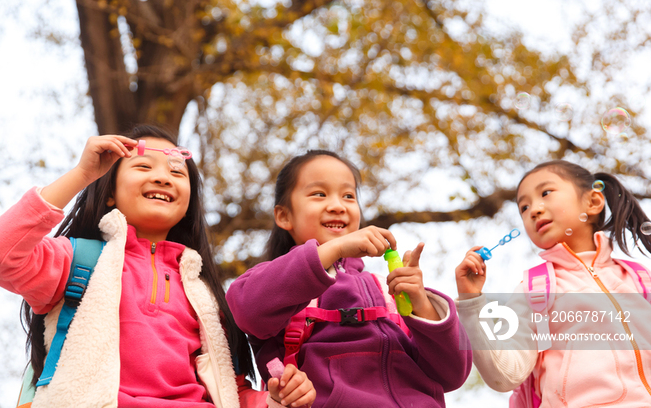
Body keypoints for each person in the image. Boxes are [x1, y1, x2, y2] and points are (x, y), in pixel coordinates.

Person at [0, 125, 316, 408]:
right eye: (143, 167)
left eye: (176, 172)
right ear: (109, 191)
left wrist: (277, 400)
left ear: (188, 202)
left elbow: (232, 392)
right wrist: (83, 174)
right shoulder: (77, 263)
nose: (163, 177)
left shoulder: (208, 298)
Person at [226, 150, 472, 408]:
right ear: (284, 216)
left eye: (348, 196)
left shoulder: (386, 289)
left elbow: (452, 375)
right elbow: (245, 307)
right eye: (319, 194)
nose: (337, 205)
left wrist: (422, 304)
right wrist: (335, 249)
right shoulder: (280, 286)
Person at [455, 160, 651, 407]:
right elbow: (504, 377)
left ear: (592, 202)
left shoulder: (640, 278)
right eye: (524, 207)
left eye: (545, 193)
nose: (533, 210)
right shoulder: (534, 290)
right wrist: (471, 301)